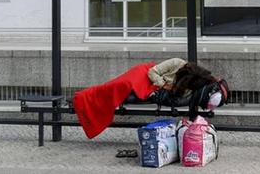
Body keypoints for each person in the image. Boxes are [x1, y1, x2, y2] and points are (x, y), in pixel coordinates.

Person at [72, 57, 228, 138]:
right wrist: (163, 85)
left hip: (152, 88)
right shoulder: (177, 63)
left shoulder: (191, 85)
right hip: (144, 76)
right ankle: (83, 98)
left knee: (122, 96)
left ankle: (88, 99)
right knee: (117, 87)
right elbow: (152, 72)